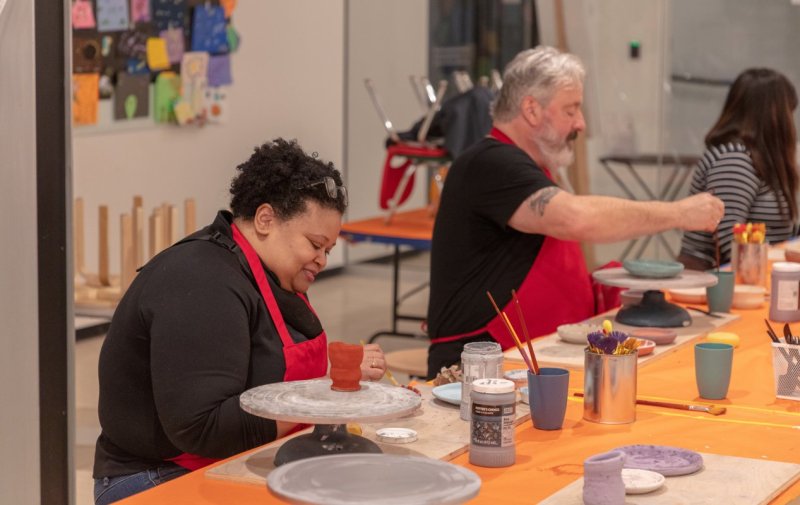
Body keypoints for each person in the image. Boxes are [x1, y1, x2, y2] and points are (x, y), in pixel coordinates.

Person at [93, 138, 387, 504]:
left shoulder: (271, 276)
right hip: (154, 479)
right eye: (314, 244)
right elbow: (205, 429)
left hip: (224, 460)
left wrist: (337, 372)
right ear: (265, 219)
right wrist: (325, 389)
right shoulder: (202, 280)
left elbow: (261, 371)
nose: (322, 260)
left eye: (328, 250)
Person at [425, 46, 724, 378]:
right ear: (531, 110)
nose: (580, 124)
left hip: (533, 354)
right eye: (571, 110)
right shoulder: (492, 162)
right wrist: (679, 213)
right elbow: (575, 219)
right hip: (482, 366)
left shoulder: (528, 165)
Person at [678, 68, 799, 270]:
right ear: (775, 115)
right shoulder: (735, 159)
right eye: (789, 113)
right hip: (713, 284)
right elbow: (733, 245)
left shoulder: (757, 157)